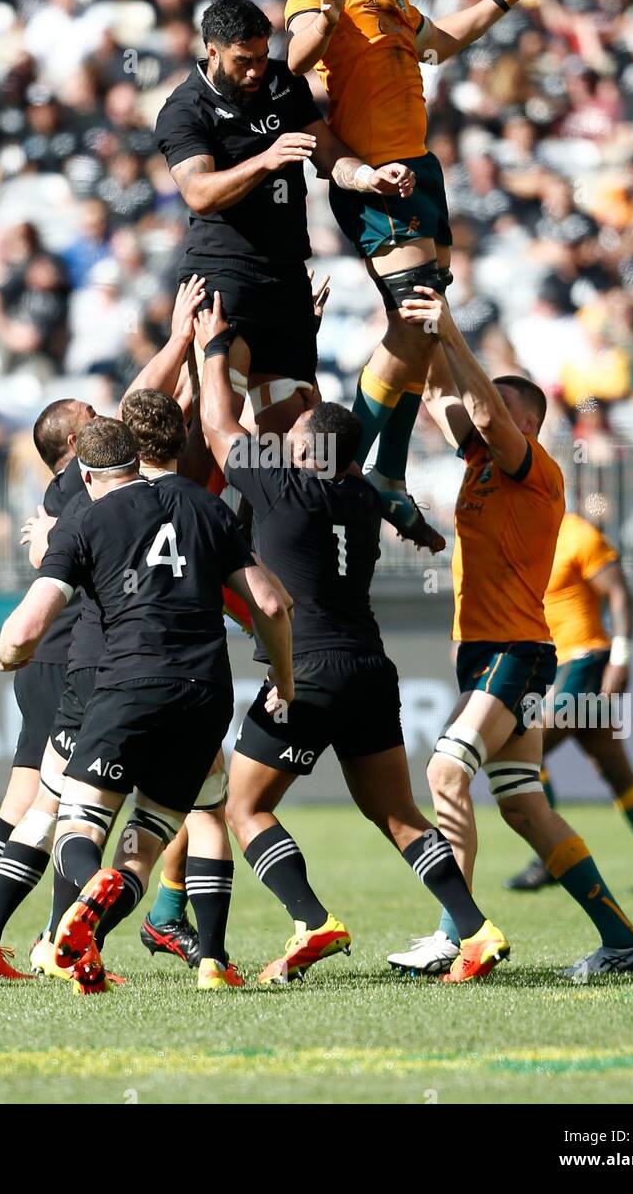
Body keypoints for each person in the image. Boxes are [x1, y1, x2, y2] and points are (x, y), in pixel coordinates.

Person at [195, 293, 509, 985]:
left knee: (244, 808)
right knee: (398, 814)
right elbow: (391, 500)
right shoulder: (363, 499)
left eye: (296, 436)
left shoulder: (284, 488)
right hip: (369, 666)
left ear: (307, 448)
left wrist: (212, 347)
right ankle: (475, 930)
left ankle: (312, 919)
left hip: (306, 668)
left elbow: (218, 425)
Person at [386, 288, 633, 978]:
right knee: (525, 807)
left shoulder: (534, 469)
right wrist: (419, 329)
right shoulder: (479, 463)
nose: (477, 424)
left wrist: (452, 333)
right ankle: (622, 941)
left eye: (494, 415)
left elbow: (476, 405)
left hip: (515, 653)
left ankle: (457, 934)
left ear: (519, 421)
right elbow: (442, 401)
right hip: (490, 654)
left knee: (445, 771)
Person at [285, 0, 551, 536]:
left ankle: (388, 472)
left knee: (423, 330)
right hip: (377, 178)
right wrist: (320, 18)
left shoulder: (392, 1)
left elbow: (441, 44)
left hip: (422, 172)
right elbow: (292, 64)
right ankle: (344, 465)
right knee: (415, 320)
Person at [0, 416, 292, 993]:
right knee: (151, 841)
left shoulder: (87, 519)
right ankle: (183, 949)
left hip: (129, 687)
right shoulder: (210, 510)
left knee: (76, 829)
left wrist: (8, 650)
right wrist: (285, 678)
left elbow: (28, 626)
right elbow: (271, 604)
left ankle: (88, 889)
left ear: (86, 473)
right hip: (206, 695)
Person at [155, 0, 441, 558]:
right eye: (244, 60)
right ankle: (175, 548)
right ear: (212, 52)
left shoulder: (283, 83)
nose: (258, 69)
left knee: (296, 441)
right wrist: (266, 158)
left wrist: (368, 179)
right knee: (216, 424)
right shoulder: (184, 109)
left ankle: (270, 561)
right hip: (224, 277)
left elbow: (330, 151)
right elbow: (198, 193)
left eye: (263, 56)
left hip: (286, 280)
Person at [0, 397, 93, 981]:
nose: (104, 418)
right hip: (63, 662)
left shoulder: (64, 492)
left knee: (25, 801)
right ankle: (48, 942)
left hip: (48, 663)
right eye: (90, 415)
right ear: (75, 447)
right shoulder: (80, 482)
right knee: (65, 807)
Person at [506, 512, 633, 893]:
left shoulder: (577, 533)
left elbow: (619, 592)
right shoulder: (523, 537)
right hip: (559, 664)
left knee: (525, 749)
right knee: (613, 768)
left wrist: (621, 657)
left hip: (586, 663)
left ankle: (548, 858)